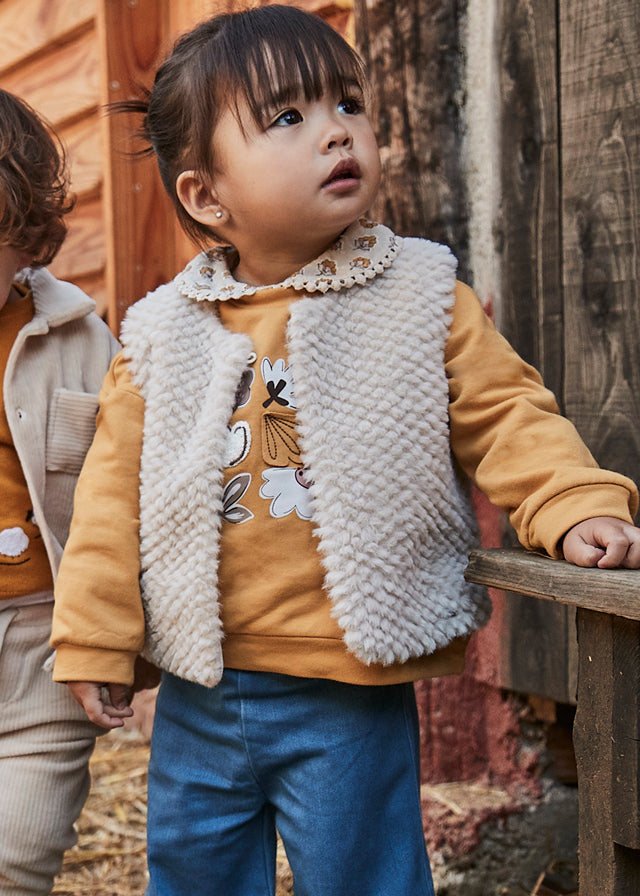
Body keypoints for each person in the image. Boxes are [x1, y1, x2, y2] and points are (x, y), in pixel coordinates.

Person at [50, 6, 640, 896]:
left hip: (347, 686)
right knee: (194, 873)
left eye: (349, 104)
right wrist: (95, 637)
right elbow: (110, 497)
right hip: (200, 685)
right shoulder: (162, 333)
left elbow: (507, 412)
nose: (336, 131)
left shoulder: (416, 294)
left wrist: (573, 501)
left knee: (364, 875)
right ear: (207, 196)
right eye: (289, 117)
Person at [0, 89, 121, 895]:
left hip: (44, 642)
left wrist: (106, 636)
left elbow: (123, 488)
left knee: (19, 843)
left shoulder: (79, 337)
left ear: (22, 238)